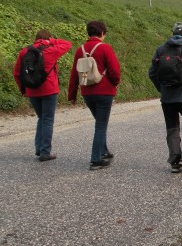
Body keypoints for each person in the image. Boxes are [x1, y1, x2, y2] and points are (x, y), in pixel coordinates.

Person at [148, 22, 182, 173]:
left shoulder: (161, 49)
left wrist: (162, 89)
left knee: (172, 128)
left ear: (173, 33)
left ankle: (174, 162)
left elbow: (152, 73)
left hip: (167, 98)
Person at [68, 20, 121, 170]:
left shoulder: (80, 50)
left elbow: (74, 74)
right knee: (101, 125)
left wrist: (72, 94)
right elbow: (114, 71)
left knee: (99, 122)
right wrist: (115, 82)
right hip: (104, 91)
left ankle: (104, 151)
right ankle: (96, 159)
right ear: (102, 33)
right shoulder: (105, 48)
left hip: (87, 92)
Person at [13, 30, 72, 161]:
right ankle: (45, 151)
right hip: (49, 89)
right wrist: (51, 41)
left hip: (32, 90)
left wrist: (23, 89)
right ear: (48, 38)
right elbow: (67, 44)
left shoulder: (24, 52)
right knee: (47, 119)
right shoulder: (50, 50)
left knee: (41, 118)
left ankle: (39, 148)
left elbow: (17, 73)